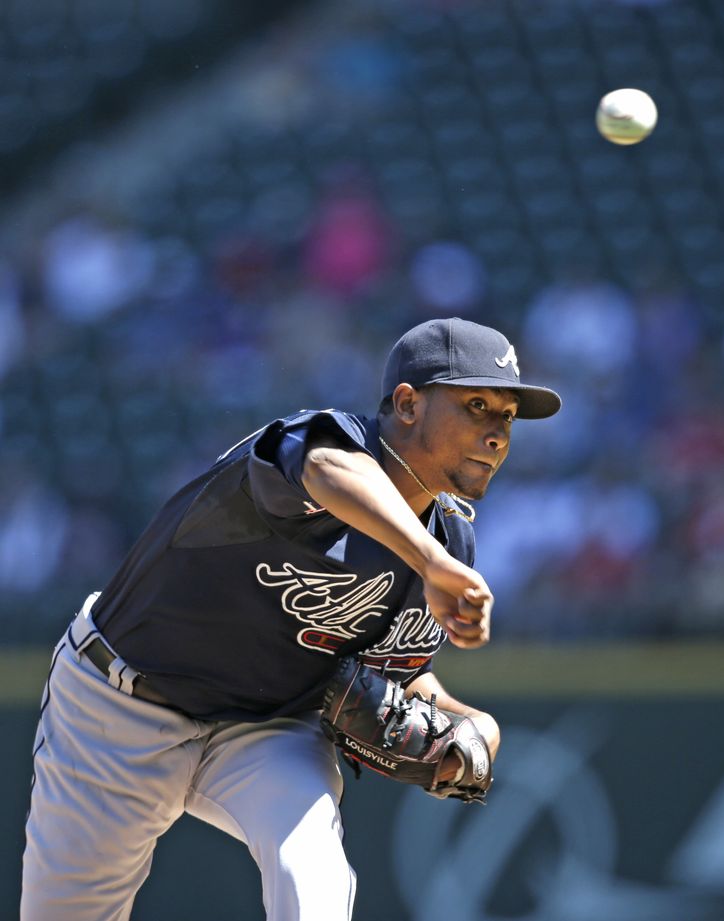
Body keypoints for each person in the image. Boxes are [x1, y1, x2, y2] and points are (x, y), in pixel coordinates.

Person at [21, 316, 561, 921]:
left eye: (507, 417)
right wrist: (429, 560)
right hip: (120, 704)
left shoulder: (450, 541)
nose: (496, 434)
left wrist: (472, 726)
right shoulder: (324, 444)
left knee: (313, 873)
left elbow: (400, 674)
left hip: (265, 729)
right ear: (408, 404)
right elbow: (326, 471)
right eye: (477, 406)